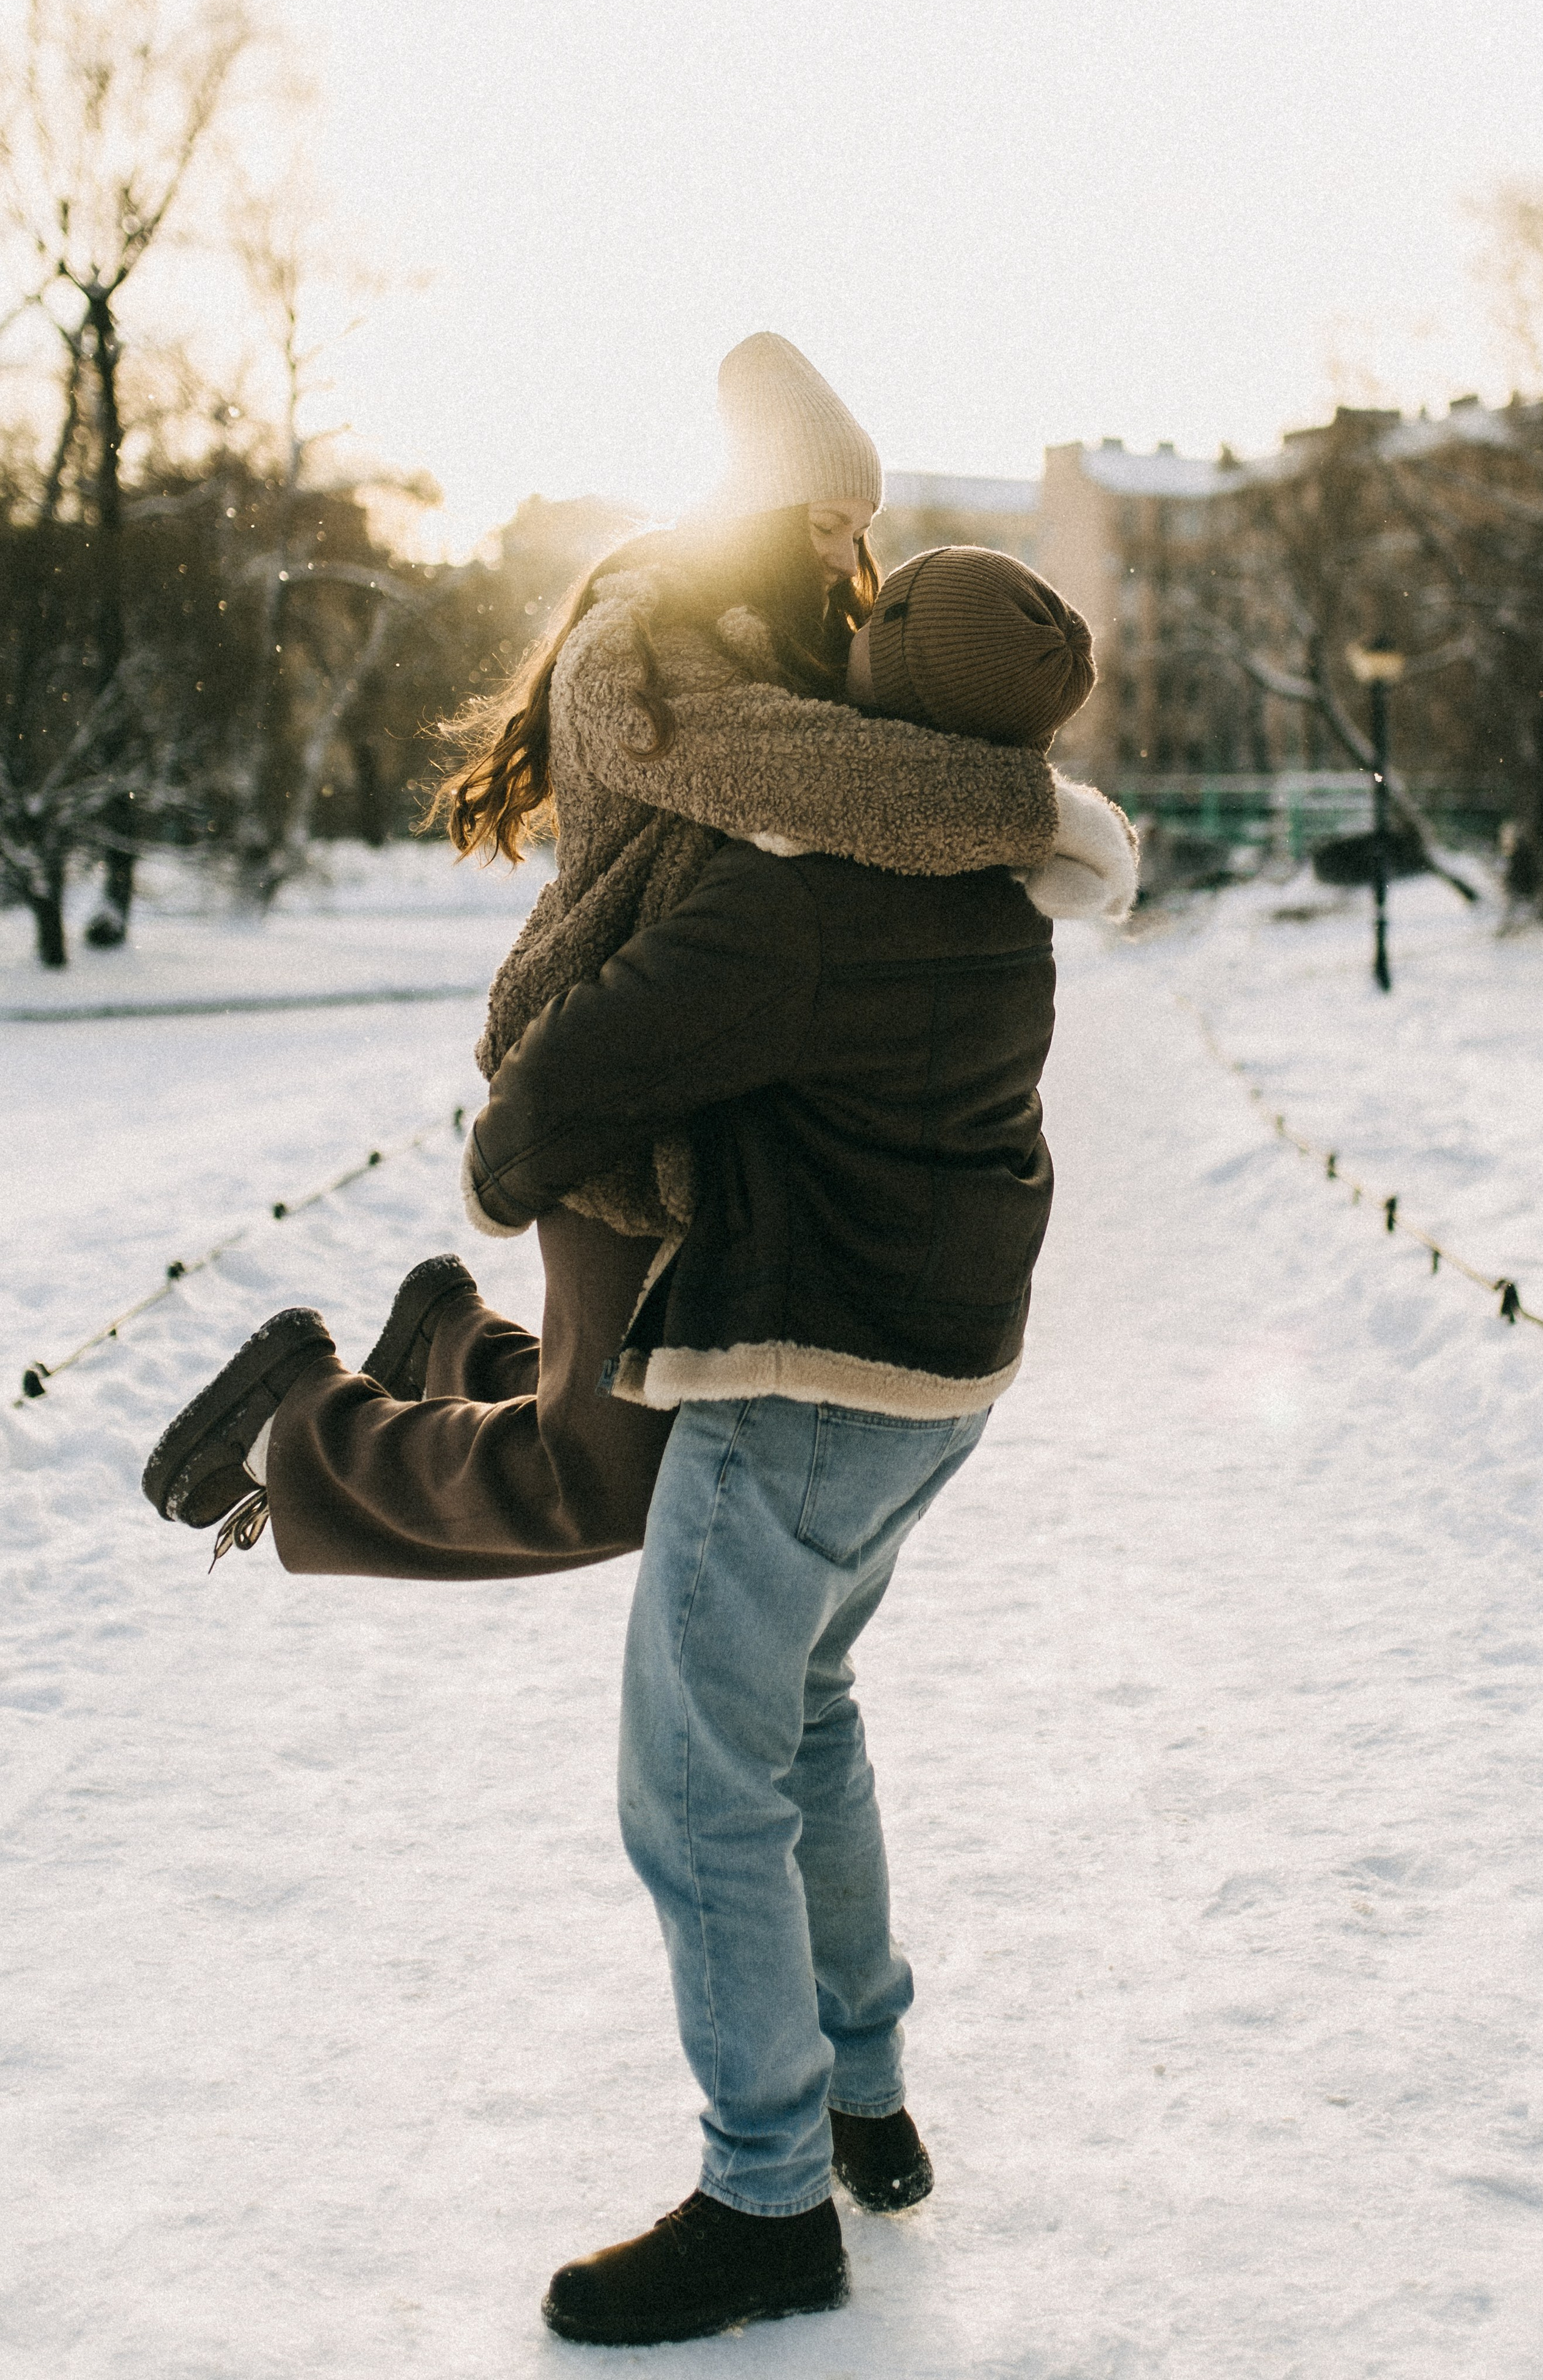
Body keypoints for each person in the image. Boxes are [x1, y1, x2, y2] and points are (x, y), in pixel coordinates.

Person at [139, 340, 1136, 2349]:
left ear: (883, 701)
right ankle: (863, 2094)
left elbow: (594, 1061)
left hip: (805, 1374)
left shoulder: (798, 887)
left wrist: (508, 1166)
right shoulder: (990, 887)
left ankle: (766, 2200)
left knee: (695, 1788)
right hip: (937, 1386)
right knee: (806, 1716)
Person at [142, 339, 1128, 1582]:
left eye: (858, 527)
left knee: (640, 1418)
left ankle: (445, 1337)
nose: (843, 554)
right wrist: (1043, 817)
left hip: (710, 1084)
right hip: (608, 1066)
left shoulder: (782, 642)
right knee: (601, 1487)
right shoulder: (641, 652)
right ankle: (296, 1420)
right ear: (759, 510)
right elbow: (811, 776)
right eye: (825, 520)